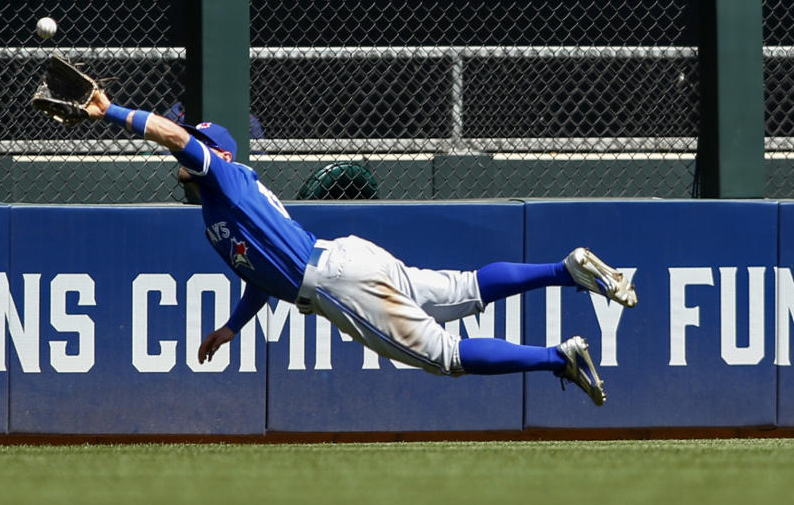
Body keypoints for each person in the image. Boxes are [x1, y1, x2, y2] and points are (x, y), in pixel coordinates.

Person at [84, 90, 637, 406]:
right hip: (345, 259)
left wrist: (108, 111)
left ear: (220, 156)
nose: (192, 151)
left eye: (204, 147)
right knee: (466, 288)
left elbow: (175, 137)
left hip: (335, 282)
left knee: (445, 356)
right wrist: (233, 327)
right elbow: (259, 273)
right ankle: (566, 271)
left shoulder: (224, 180)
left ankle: (556, 359)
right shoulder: (220, 204)